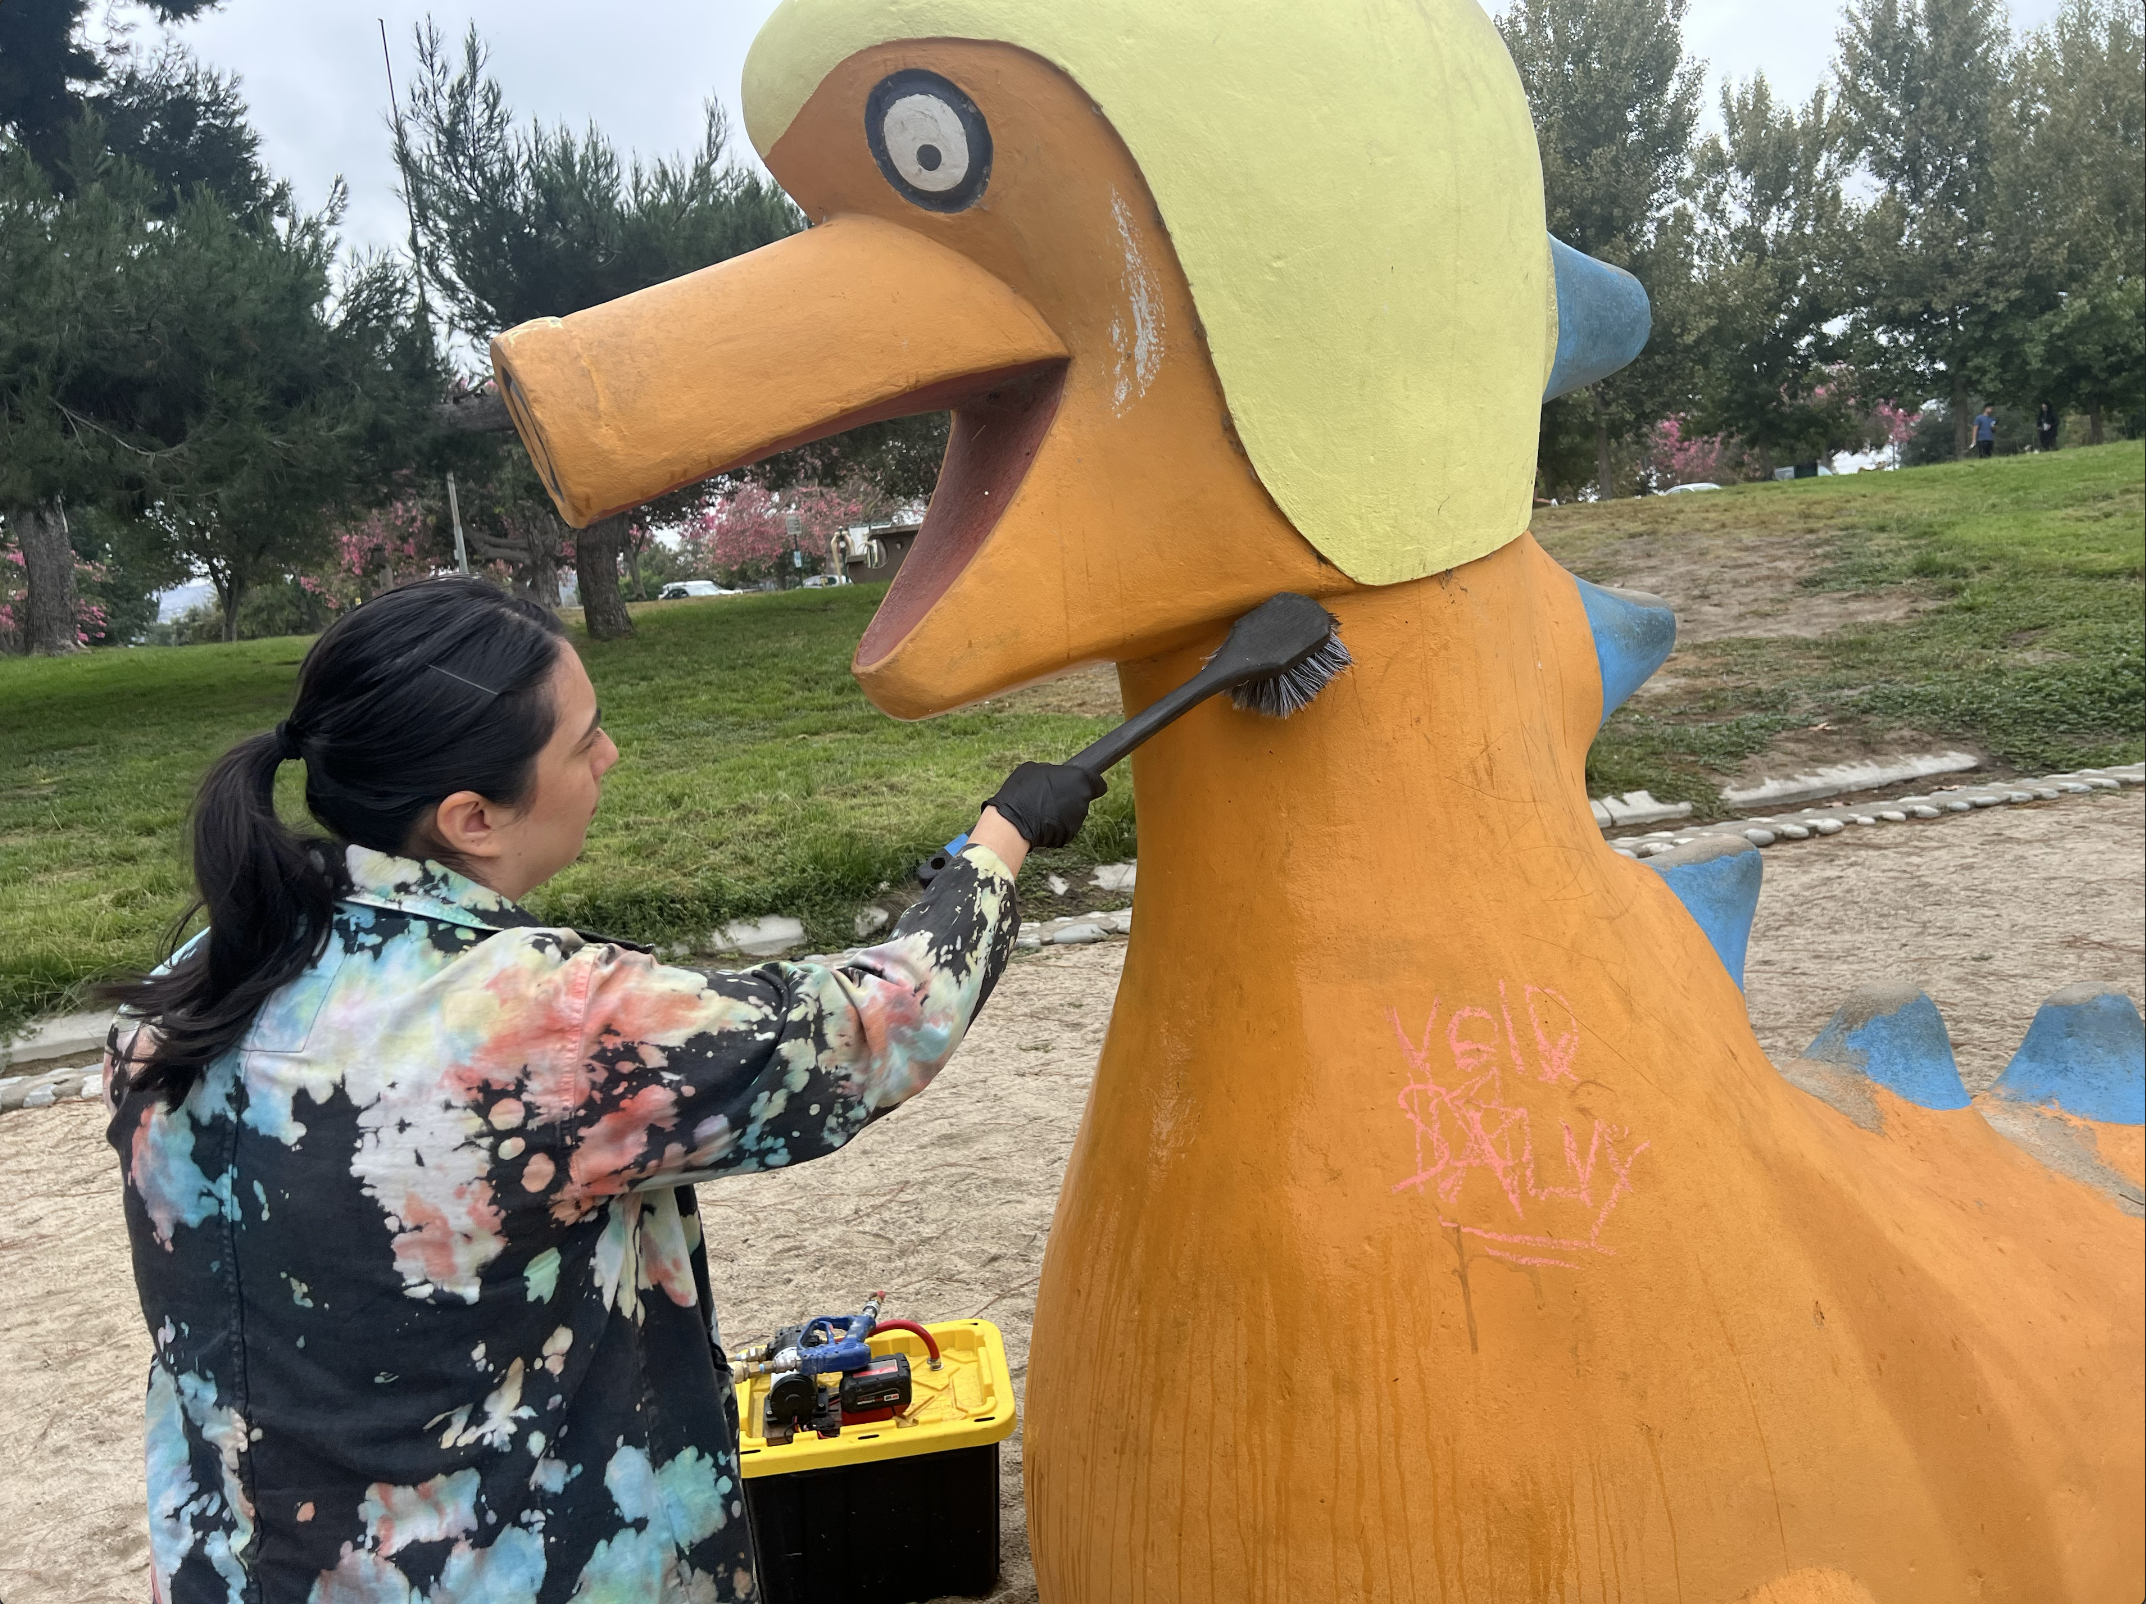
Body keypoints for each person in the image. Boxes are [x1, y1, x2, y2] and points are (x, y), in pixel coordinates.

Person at [100, 577, 1102, 1601]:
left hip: (235, 1566)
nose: (609, 756)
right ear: (471, 816)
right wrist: (997, 846)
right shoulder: (544, 1020)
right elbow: (863, 1031)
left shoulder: (202, 973)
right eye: (583, 742)